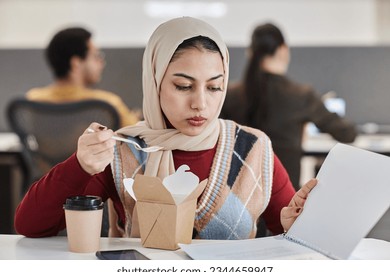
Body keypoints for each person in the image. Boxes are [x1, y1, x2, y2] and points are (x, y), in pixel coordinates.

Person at [15, 17, 317, 240]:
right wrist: (79, 166)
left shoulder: (252, 149)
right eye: (183, 86)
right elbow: (29, 226)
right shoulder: (125, 151)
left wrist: (294, 226)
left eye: (214, 87)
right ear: (155, 81)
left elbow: (290, 236)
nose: (200, 104)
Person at [221, 23, 357, 189]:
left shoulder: (230, 94)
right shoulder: (301, 95)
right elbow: (347, 134)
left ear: (250, 52)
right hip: (284, 201)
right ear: (283, 49)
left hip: (240, 198)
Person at [26, 27, 139, 127]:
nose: (101, 63)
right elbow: (136, 136)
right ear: (76, 63)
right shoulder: (107, 103)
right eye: (96, 56)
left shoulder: (34, 98)